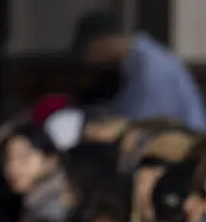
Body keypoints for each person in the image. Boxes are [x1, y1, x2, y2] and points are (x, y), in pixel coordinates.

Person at [72, 9, 206, 133]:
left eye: (88, 52)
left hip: (184, 145)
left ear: (103, 43)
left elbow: (148, 126)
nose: (91, 63)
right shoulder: (132, 62)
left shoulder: (152, 67)